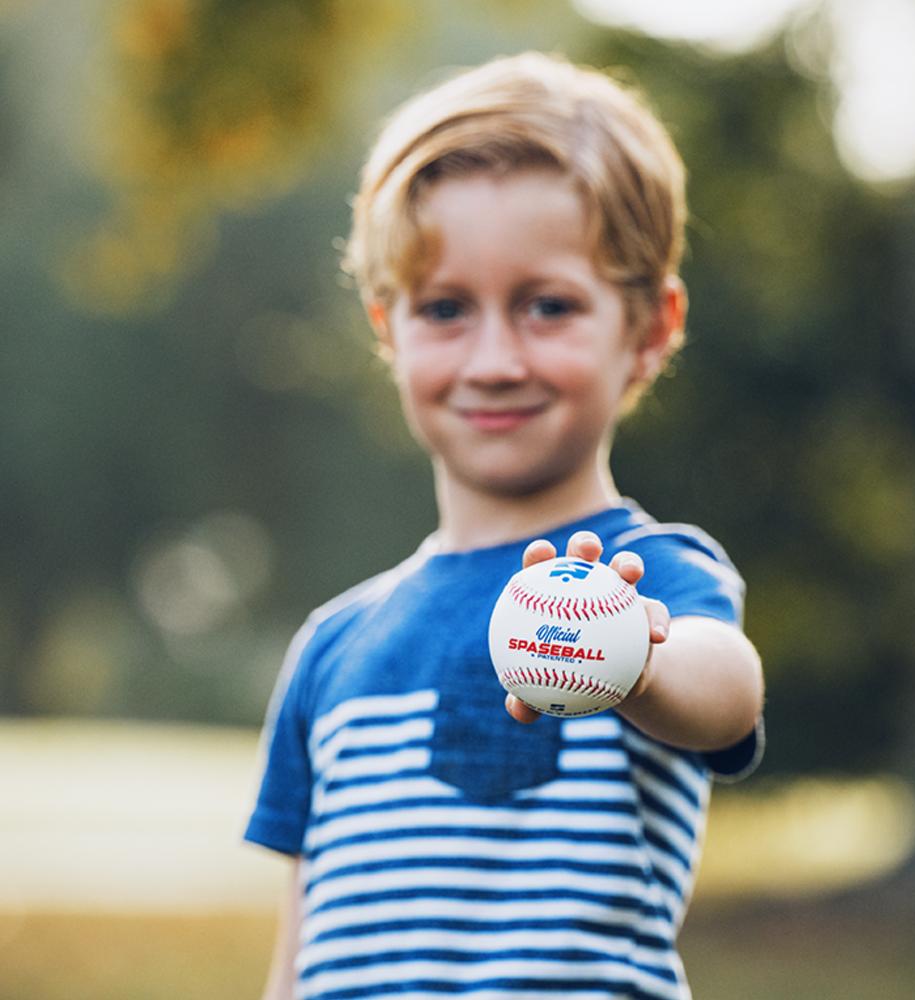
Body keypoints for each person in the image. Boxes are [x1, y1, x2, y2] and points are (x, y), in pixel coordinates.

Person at [245, 51, 765, 1000]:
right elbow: (299, 950)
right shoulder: (332, 646)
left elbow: (725, 690)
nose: (493, 359)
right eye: (445, 309)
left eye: (549, 306)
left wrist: (638, 661)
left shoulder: (652, 577)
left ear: (649, 329)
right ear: (388, 330)